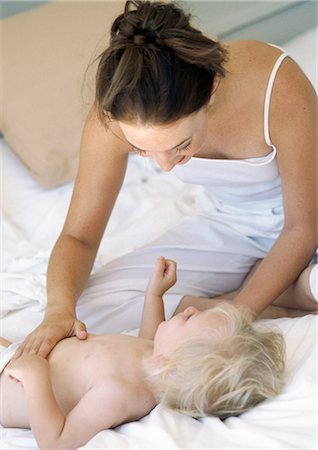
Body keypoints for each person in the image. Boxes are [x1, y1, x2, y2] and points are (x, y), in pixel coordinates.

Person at [14, 0, 317, 358]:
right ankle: (282, 292)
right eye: (142, 150)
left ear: (212, 88)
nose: (166, 168)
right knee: (91, 310)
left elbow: (302, 229)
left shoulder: (274, 83)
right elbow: (78, 236)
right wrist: (59, 311)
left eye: (182, 145)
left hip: (308, 218)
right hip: (232, 223)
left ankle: (278, 290)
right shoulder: (114, 116)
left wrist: (235, 316)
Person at [1, 257, 286, 450]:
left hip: (9, 388)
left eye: (189, 319)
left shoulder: (119, 393)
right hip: (18, 357)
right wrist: (155, 296)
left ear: (170, 365)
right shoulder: (155, 361)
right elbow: (149, 339)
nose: (189, 309)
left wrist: (35, 377)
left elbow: (57, 441)